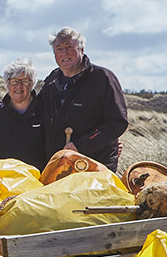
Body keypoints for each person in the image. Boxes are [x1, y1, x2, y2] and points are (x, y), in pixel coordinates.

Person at [34, 27, 129, 171]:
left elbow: (117, 122)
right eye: (59, 48)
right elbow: (37, 111)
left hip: (95, 166)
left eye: (69, 47)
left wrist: (81, 145)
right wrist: (3, 107)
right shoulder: (52, 80)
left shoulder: (102, 78)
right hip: (58, 166)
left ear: (82, 49)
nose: (64, 52)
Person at [0, 58, 48, 168]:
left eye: (24, 81)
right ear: (7, 84)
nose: (19, 86)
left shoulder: (45, 112)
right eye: (14, 81)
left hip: (39, 180)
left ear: (32, 85)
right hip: (5, 179)